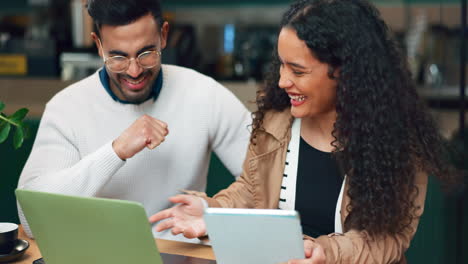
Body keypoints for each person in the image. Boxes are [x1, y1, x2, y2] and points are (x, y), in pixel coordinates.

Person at [150, 0, 461, 262]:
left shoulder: (397, 142)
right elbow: (250, 191)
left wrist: (322, 250)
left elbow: (387, 242)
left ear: (343, 71)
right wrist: (211, 210)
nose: (283, 81)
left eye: (297, 70)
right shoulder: (276, 121)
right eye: (282, 65)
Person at [17, 0, 251, 242]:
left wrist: (214, 212)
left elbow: (270, 178)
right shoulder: (66, 107)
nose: (134, 71)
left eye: (146, 53)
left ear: (163, 35)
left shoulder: (205, 94)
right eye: (118, 57)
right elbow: (31, 218)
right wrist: (115, 151)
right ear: (98, 45)